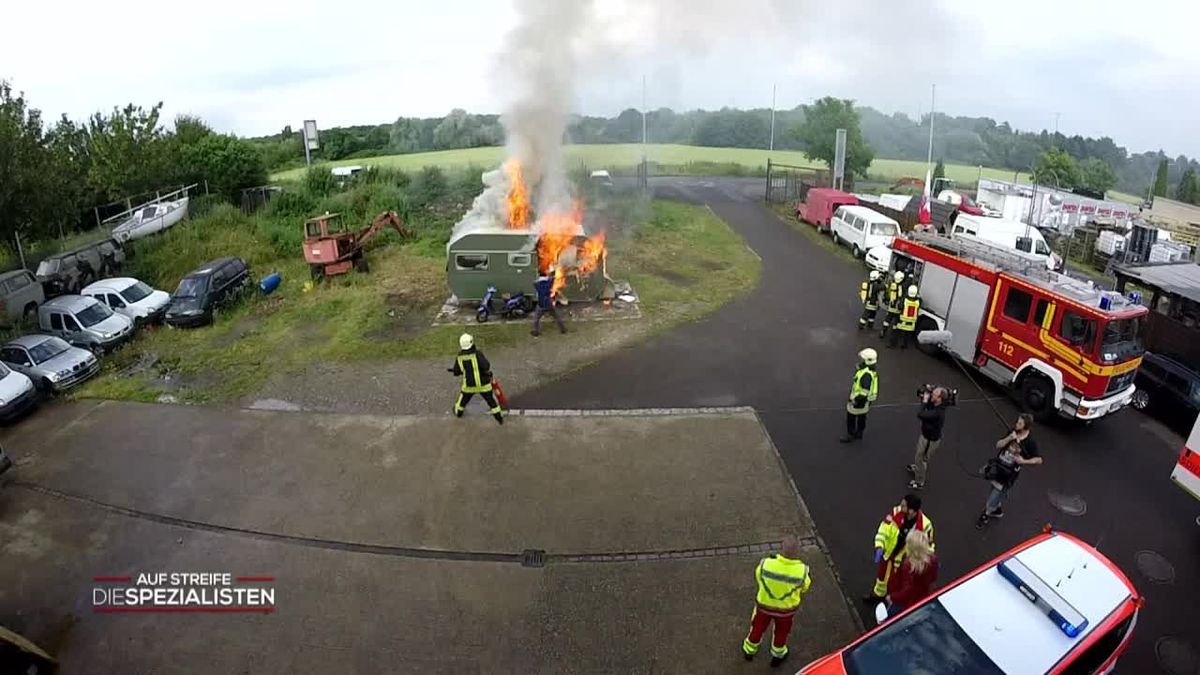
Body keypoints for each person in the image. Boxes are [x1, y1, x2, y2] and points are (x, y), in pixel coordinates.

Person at [742, 535, 812, 667]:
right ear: (798, 552)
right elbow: (804, 588)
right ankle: (778, 655)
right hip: (786, 611)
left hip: (764, 606)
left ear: (782, 548)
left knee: (757, 627)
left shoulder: (766, 563)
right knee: (781, 632)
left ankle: (749, 651)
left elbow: (758, 577)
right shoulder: (802, 571)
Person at [976, 414, 1042, 528]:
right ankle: (997, 509)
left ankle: (985, 514)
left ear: (1026, 427)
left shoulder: (1030, 442)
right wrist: (1009, 438)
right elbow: (998, 445)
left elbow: (1039, 460)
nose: (1016, 424)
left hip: (1009, 474)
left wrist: (1023, 461)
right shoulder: (1012, 432)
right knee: (993, 489)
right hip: (998, 467)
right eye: (1017, 422)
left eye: (1020, 424)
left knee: (995, 494)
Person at [867, 494, 934, 603]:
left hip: (904, 560)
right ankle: (878, 595)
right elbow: (884, 530)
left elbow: (928, 547)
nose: (900, 507)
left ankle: (891, 601)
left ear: (911, 511)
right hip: (888, 552)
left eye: (904, 506)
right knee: (882, 576)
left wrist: (922, 561)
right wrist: (879, 546)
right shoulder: (896, 512)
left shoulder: (925, 526)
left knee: (898, 583)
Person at [448, 333, 504, 425]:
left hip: (469, 386)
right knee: (491, 402)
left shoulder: (460, 357)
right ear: (472, 342)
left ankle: (458, 413)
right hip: (484, 385)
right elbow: (486, 366)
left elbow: (457, 372)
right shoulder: (477, 354)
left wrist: (456, 370)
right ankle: (499, 418)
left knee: (462, 402)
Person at [885, 529, 938, 617]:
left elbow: (907, 590)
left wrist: (892, 597)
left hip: (906, 603)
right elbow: (933, 578)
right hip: (923, 599)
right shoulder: (932, 559)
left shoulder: (908, 565)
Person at [907, 386, 947, 490]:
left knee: (921, 458)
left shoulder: (938, 413)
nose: (931, 396)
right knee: (918, 455)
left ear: (939, 399)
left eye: (934, 395)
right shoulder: (937, 404)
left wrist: (924, 401)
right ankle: (918, 468)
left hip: (930, 440)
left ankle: (919, 481)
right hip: (926, 435)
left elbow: (921, 414)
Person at [840, 348, 879, 443]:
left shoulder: (866, 375)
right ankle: (859, 433)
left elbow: (864, 392)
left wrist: (855, 400)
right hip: (866, 402)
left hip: (859, 401)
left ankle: (851, 434)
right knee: (862, 417)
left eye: (862, 359)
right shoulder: (871, 371)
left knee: (851, 418)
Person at [531, 266, 567, 337]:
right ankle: (563, 329)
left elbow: (534, 283)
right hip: (549, 303)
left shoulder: (537, 284)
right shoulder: (549, 282)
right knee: (556, 317)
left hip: (541, 304)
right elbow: (553, 277)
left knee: (536, 318)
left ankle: (535, 331)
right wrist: (553, 272)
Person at [889, 285, 921, 350]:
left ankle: (893, 344)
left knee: (895, 332)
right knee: (906, 334)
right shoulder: (918, 301)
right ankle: (904, 346)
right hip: (911, 323)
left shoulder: (905, 300)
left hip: (902, 321)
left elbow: (900, 307)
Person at [879, 271, 905, 341]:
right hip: (897, 309)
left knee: (887, 320)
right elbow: (903, 297)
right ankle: (893, 336)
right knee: (896, 323)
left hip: (891, 307)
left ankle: (883, 332)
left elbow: (888, 294)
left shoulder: (892, 285)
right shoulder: (902, 287)